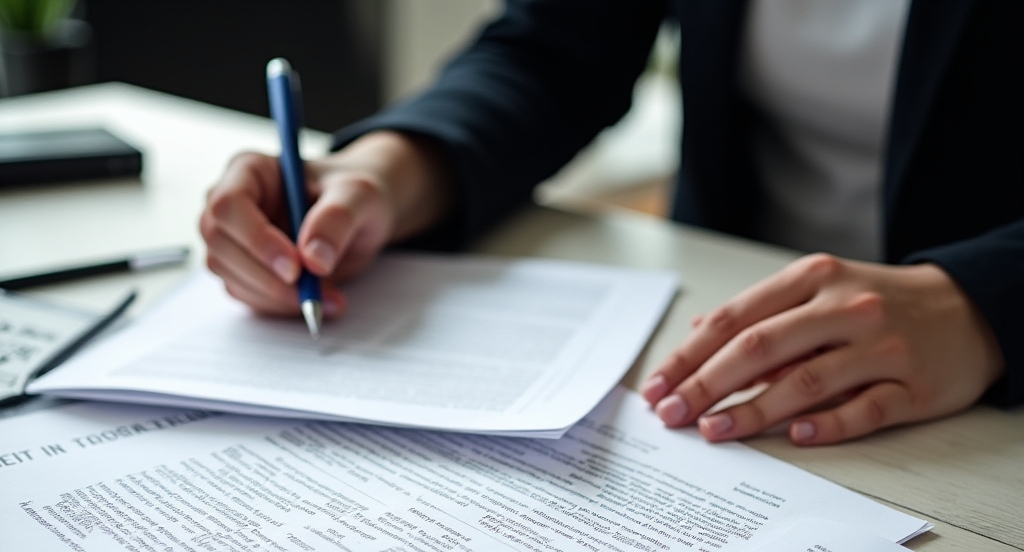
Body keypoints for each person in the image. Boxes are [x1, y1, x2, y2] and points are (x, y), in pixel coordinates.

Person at [200, 0, 1022, 445]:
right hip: (715, 322)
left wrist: (985, 303)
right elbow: (554, 48)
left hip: (975, 407)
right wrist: (386, 171)